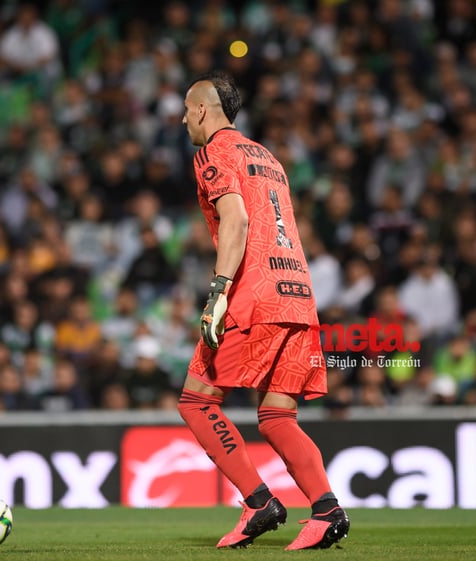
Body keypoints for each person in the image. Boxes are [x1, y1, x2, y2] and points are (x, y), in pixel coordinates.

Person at [178, 71, 349, 550]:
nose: (182, 119)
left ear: (200, 111)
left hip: (255, 296)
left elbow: (237, 217)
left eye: (185, 110)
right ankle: (327, 511)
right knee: (276, 416)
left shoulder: (212, 153)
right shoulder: (267, 156)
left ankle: (258, 503)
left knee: (196, 400)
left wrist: (218, 292)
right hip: (298, 294)